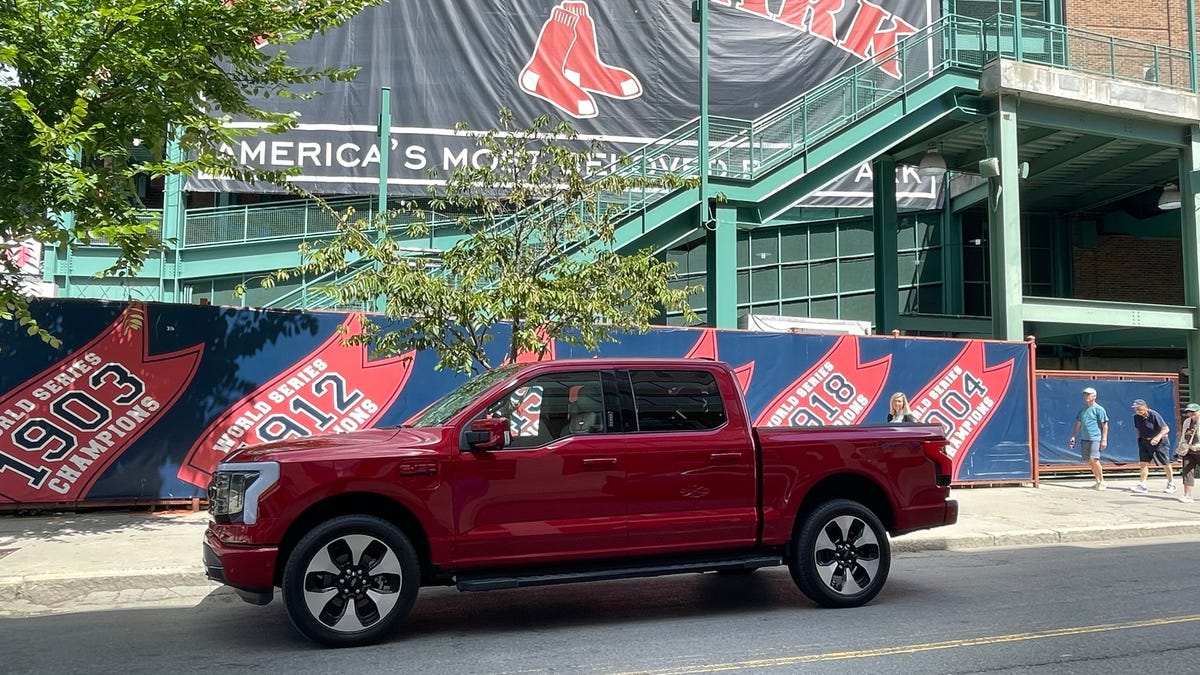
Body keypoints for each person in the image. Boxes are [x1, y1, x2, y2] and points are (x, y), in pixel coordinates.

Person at [1130, 398, 1176, 494]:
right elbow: (1138, 429)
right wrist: (1140, 440)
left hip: (1159, 442)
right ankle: (1142, 485)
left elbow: (1166, 429)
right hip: (1144, 442)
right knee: (1143, 463)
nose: (1137, 410)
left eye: (1139, 408)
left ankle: (1171, 484)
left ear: (1145, 407)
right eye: (1135, 409)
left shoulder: (1154, 415)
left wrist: (1157, 438)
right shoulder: (1136, 417)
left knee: (1165, 462)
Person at [1068, 386, 1108, 490]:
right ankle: (1097, 481)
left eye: (1088, 394)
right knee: (1090, 461)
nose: (1086, 396)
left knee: (1094, 459)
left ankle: (1103, 481)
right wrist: (1073, 436)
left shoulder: (1099, 409)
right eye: (1085, 394)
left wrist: (1104, 439)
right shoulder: (1083, 410)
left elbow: (1105, 425)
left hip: (1095, 438)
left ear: (1094, 396)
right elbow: (1078, 424)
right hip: (1085, 438)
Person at [1175, 403, 1200, 503]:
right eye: (1189, 412)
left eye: (1193, 412)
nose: (1191, 414)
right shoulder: (1187, 422)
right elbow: (1184, 436)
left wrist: (1198, 446)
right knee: (1187, 472)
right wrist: (1181, 448)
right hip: (1189, 451)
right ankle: (1187, 495)